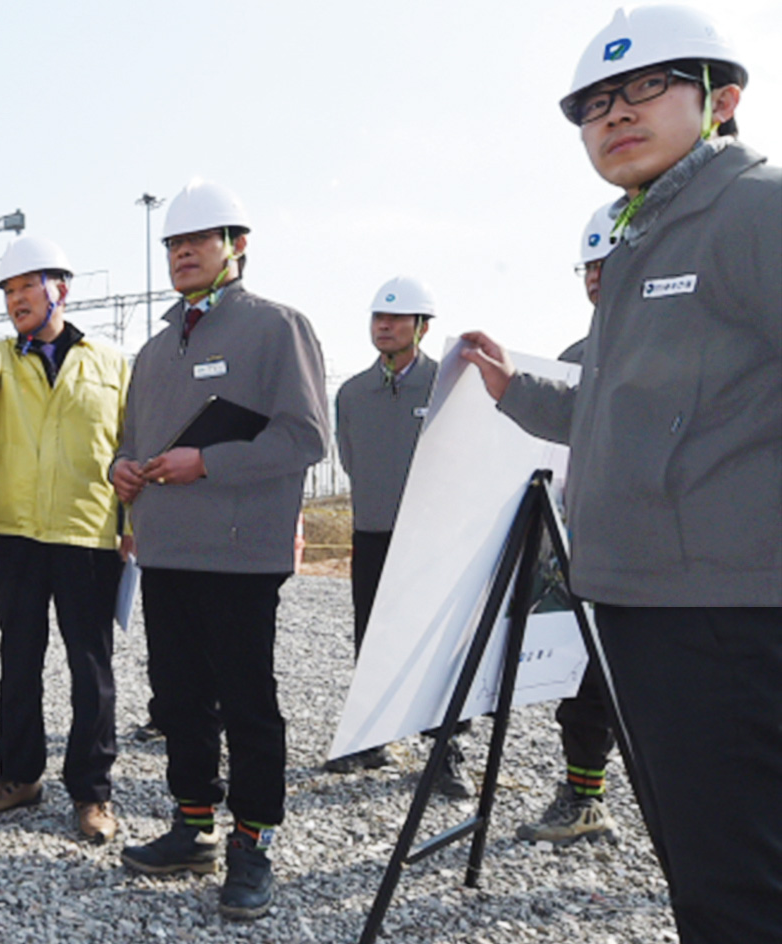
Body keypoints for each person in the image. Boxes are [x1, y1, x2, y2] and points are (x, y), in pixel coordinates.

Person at [460, 8, 780, 941]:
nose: (614, 115)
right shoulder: (645, 236)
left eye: (644, 88)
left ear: (721, 100)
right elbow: (614, 405)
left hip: (728, 609)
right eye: (595, 103)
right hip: (653, 600)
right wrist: (513, 384)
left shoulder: (752, 209)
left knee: (738, 876)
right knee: (702, 857)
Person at [113, 180, 328, 920]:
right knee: (178, 700)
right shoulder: (152, 349)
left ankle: (253, 845)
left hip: (239, 558)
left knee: (248, 704)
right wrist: (122, 469)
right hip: (167, 555)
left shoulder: (277, 329)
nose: (181, 255)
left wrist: (207, 463)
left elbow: (305, 437)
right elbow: (131, 442)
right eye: (173, 244)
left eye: (196, 242)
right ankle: (192, 826)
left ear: (236, 246)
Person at [0, 235, 129, 844]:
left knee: (90, 666)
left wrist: (130, 526)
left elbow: (129, 448)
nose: (17, 298)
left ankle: (92, 793)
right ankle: (19, 776)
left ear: (61, 291)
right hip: (19, 534)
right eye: (9, 290)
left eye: (28, 287)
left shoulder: (109, 363)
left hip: (88, 533)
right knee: (18, 661)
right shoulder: (0, 359)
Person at [327, 277, 473, 798]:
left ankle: (444, 751)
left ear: (423, 327)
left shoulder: (450, 384)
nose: (384, 326)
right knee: (373, 637)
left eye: (397, 318)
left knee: (437, 646)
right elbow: (350, 458)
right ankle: (371, 738)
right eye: (377, 318)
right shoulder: (351, 393)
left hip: (434, 539)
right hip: (373, 531)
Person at [514, 203, 622, 847]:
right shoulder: (575, 356)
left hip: (681, 557)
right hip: (590, 545)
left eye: (608, 263)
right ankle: (584, 795)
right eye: (588, 267)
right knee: (586, 682)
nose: (595, 278)